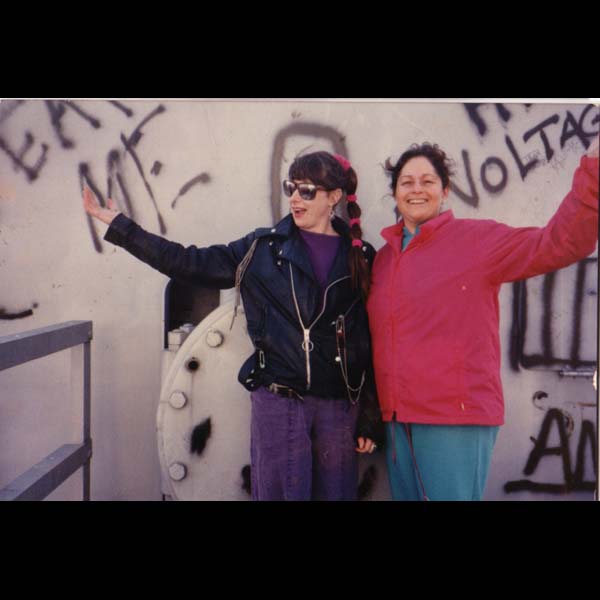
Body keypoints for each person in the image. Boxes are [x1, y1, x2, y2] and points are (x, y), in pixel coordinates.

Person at [83, 150, 382, 501]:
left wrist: (369, 415)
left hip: (337, 407)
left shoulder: (359, 256)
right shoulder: (262, 248)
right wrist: (121, 226)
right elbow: (190, 262)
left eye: (306, 191)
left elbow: (367, 341)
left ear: (333, 197)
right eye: (291, 188)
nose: (294, 199)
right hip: (280, 402)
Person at [367, 136, 599, 501]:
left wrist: (594, 171)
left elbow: (560, 243)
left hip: (454, 420)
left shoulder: (476, 242)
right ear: (394, 193)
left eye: (428, 181)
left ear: (445, 191)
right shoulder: (383, 260)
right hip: (398, 422)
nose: (416, 189)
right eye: (406, 182)